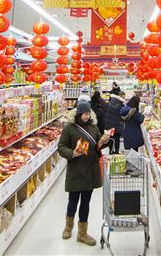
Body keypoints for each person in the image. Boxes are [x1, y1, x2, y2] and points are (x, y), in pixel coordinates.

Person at [57, 99, 109, 246]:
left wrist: (102, 141)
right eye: (85, 114)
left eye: (88, 113)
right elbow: (61, 147)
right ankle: (68, 227)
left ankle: (82, 233)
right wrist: (72, 153)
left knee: (86, 203)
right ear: (78, 114)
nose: (87, 116)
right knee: (73, 201)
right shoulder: (69, 129)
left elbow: (97, 145)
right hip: (76, 170)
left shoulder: (93, 127)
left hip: (90, 170)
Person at [103, 86, 126, 154]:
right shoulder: (120, 105)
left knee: (111, 137)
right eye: (123, 97)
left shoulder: (110, 103)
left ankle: (110, 151)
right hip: (116, 124)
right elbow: (122, 116)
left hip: (109, 124)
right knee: (117, 138)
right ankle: (116, 151)